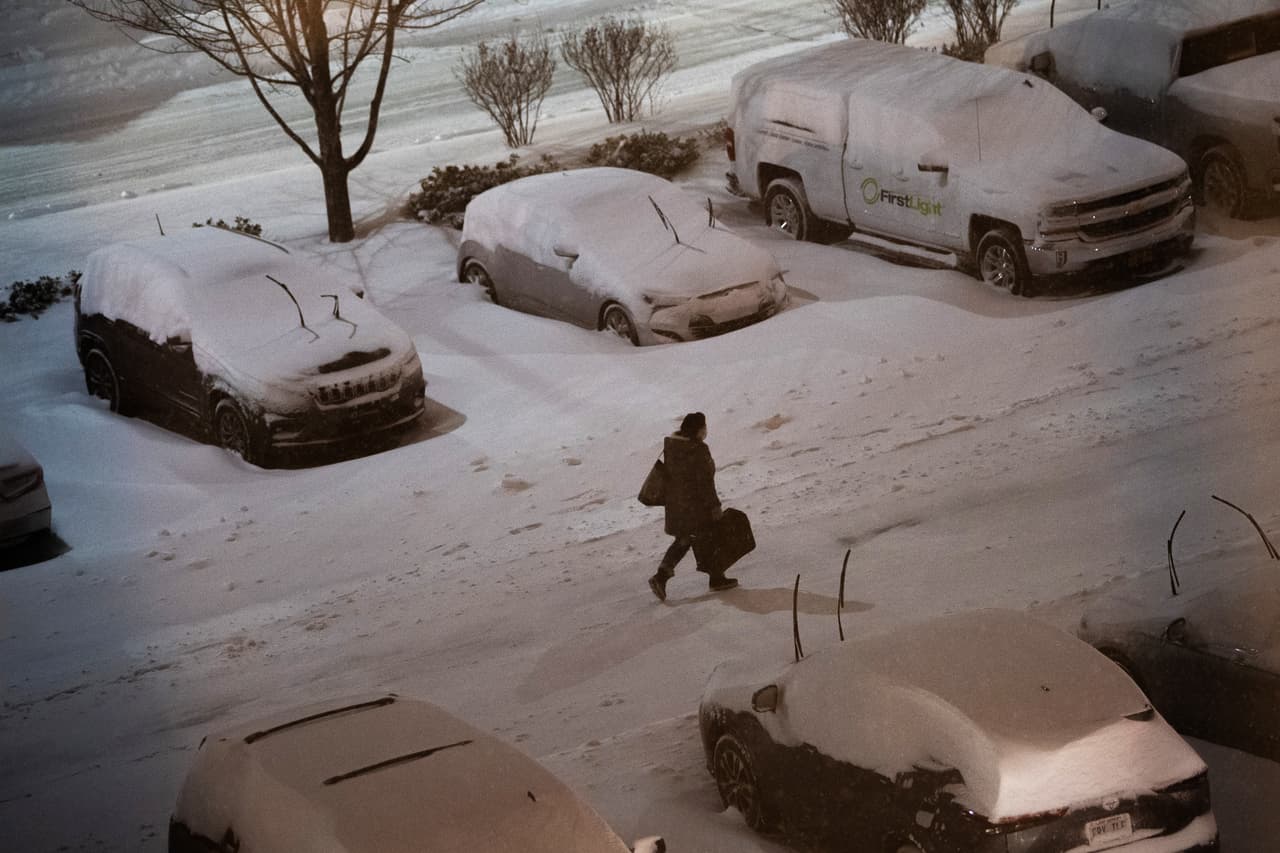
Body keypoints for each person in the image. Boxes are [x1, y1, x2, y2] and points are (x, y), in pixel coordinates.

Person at [648, 412, 739, 601]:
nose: (705, 431)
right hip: (697, 506)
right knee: (709, 537)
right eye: (703, 427)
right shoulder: (697, 449)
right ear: (697, 429)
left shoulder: (673, 446)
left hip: (678, 505)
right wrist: (714, 505)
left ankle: (662, 575)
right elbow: (705, 482)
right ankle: (716, 578)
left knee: (686, 539)